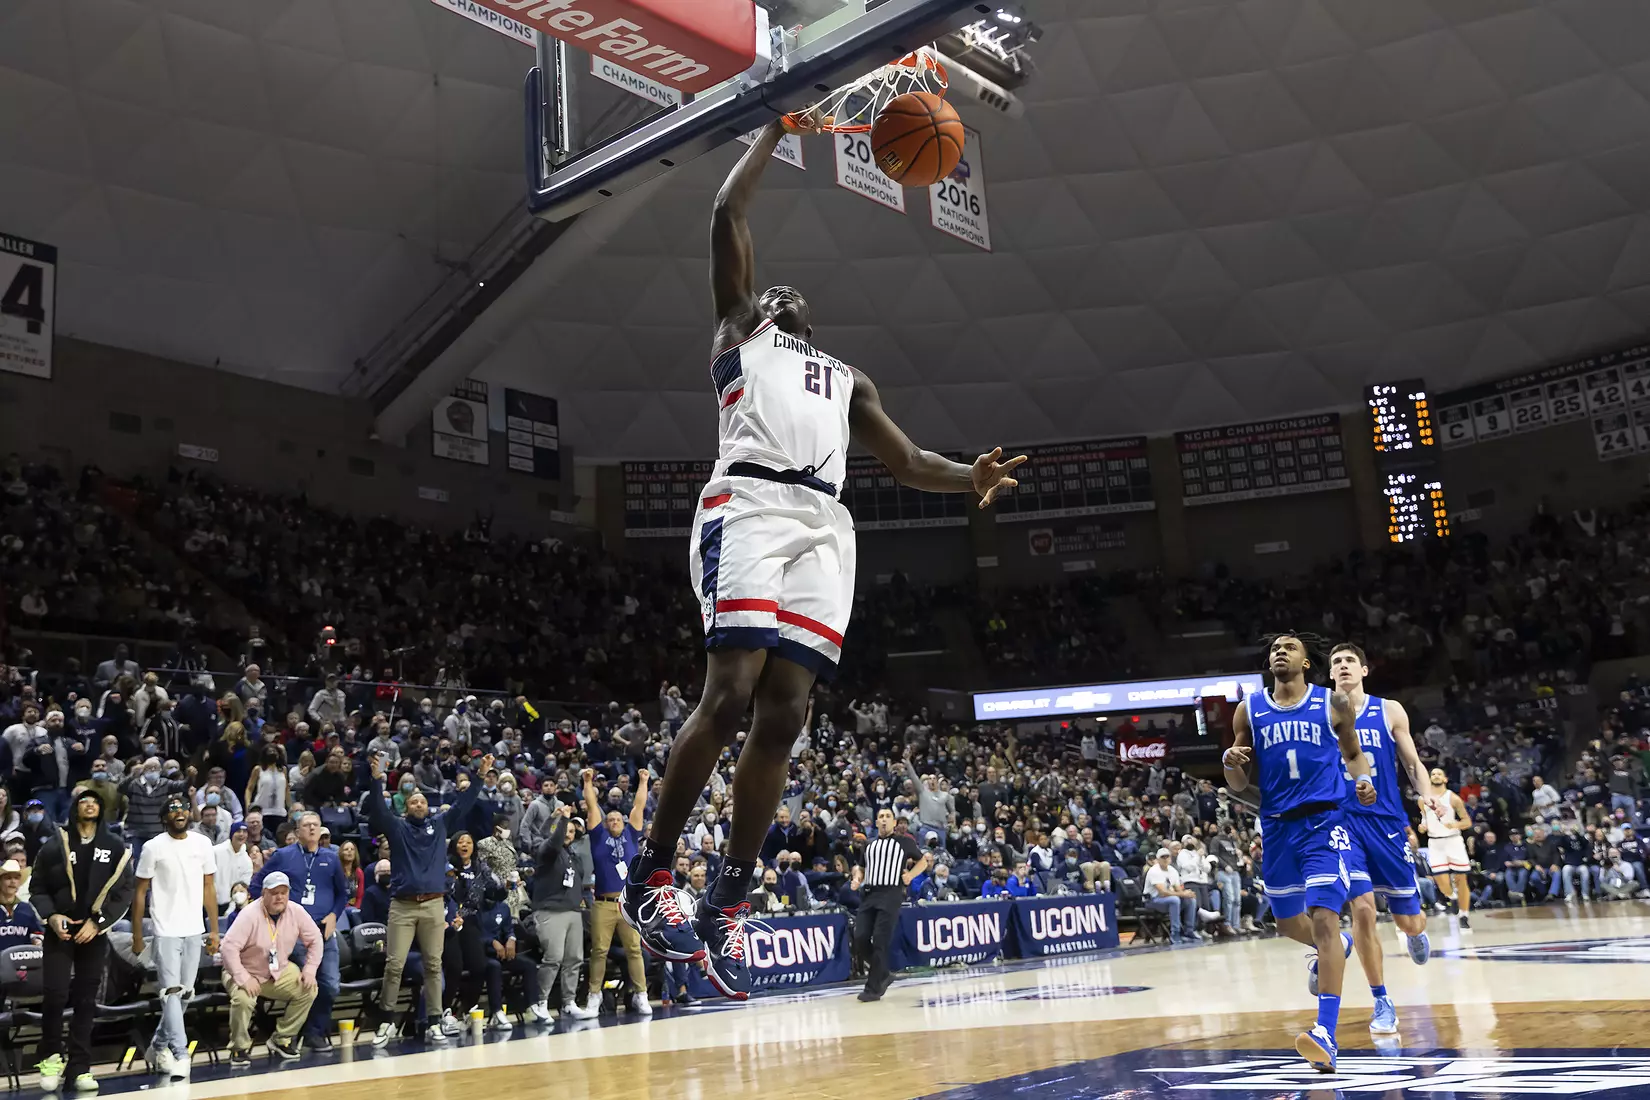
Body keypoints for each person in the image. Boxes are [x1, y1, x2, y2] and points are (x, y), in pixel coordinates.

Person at [620, 115, 1025, 1001]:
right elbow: (727, 211)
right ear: (761, 307)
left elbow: (908, 462)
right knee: (728, 694)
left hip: (824, 526)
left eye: (797, 293)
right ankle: (650, 873)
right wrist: (774, 133)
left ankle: (727, 896)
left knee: (786, 714)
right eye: (776, 289)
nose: (786, 291)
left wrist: (971, 478)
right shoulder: (739, 330)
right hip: (753, 502)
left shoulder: (846, 377)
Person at [1222, 634, 1374, 1074]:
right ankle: (1338, 947)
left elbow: (1354, 754)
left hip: (1324, 822)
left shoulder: (1333, 702)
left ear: (1307, 662)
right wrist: (1231, 763)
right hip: (1277, 827)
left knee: (1325, 916)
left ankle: (1325, 1031)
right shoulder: (1249, 708)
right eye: (1274, 648)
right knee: (1288, 923)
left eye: (1289, 647)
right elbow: (1236, 783)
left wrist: (1365, 781)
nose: (1280, 652)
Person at [1327, 642, 1434, 1036]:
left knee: (1407, 919)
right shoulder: (1322, 714)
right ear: (1330, 673)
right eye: (1336, 662)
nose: (1342, 667)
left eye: (1349, 661)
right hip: (1342, 823)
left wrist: (1427, 798)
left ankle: (1416, 931)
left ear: (1364, 670)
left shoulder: (1389, 709)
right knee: (1364, 909)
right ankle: (1382, 1000)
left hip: (1386, 821)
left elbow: (1412, 762)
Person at [362, 751, 493, 1046]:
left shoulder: (441, 825)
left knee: (434, 964)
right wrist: (376, 778)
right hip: (403, 906)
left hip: (435, 904)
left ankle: (434, 1020)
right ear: (406, 808)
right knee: (394, 964)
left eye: (422, 801)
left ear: (428, 806)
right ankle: (385, 1021)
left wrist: (480, 775)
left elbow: (464, 803)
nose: (419, 804)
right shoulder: (397, 828)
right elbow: (379, 811)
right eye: (413, 802)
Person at [32, 786, 135, 1094]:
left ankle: (80, 1067)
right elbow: (37, 887)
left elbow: (124, 892)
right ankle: (51, 1056)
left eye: (95, 802)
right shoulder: (55, 844)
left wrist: (99, 922)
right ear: (75, 808)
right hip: (59, 931)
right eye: (84, 801)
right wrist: (51, 916)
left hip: (94, 932)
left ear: (102, 810)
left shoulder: (114, 845)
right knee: (54, 994)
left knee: (87, 1001)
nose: (89, 805)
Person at [130, 794, 219, 1080]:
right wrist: (137, 934)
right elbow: (140, 892)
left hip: (194, 928)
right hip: (165, 929)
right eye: (172, 810)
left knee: (184, 996)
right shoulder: (152, 847)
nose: (179, 813)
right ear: (164, 818)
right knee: (171, 993)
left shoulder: (203, 844)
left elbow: (209, 887)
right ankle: (182, 1054)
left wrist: (214, 929)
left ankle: (157, 1045)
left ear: (189, 815)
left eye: (182, 809)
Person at [250, 811, 350, 1049]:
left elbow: (342, 893)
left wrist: (335, 915)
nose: (312, 829)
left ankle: (313, 1031)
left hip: (323, 931)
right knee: (302, 984)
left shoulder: (331, 857)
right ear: (297, 832)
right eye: (307, 825)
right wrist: (274, 917)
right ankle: (288, 1034)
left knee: (331, 984)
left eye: (316, 825)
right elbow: (257, 886)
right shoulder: (283, 856)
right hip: (291, 934)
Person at [218, 871, 321, 1064]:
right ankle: (239, 1048)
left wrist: (310, 969)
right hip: (244, 970)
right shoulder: (249, 914)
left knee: (309, 989)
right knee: (243, 1000)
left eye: (283, 892)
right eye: (274, 893)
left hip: (279, 969)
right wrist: (243, 977)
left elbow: (316, 939)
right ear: (264, 893)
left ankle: (281, 1038)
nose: (279, 897)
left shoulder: (296, 911)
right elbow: (228, 948)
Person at [581, 768, 651, 1016]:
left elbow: (639, 806)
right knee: (598, 951)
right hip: (603, 903)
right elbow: (591, 806)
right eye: (610, 820)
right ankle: (594, 996)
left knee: (634, 950)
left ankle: (642, 995)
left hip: (628, 903)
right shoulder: (598, 835)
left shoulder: (632, 834)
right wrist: (587, 781)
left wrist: (643, 780)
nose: (613, 823)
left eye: (617, 820)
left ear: (624, 822)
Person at [529, 801, 596, 1021]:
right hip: (550, 911)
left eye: (571, 831)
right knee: (553, 958)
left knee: (574, 959)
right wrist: (561, 818)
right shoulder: (545, 850)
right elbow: (553, 839)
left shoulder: (571, 855)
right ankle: (540, 1002)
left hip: (573, 911)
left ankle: (568, 1002)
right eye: (564, 829)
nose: (568, 833)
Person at [854, 807, 927, 1003]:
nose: (884, 820)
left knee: (880, 940)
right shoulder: (869, 845)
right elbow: (860, 868)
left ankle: (873, 988)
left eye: (888, 817)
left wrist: (910, 875)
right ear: (876, 822)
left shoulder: (905, 842)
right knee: (859, 937)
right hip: (869, 894)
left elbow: (923, 862)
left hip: (891, 893)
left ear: (894, 823)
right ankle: (884, 973)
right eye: (881, 817)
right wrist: (856, 878)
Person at [1421, 767, 1474, 928]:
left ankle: (1464, 915)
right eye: (1433, 773)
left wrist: (1455, 824)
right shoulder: (1422, 799)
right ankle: (1452, 897)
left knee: (1461, 878)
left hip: (1453, 840)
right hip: (1435, 842)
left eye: (1439, 774)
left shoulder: (1454, 798)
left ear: (1445, 779)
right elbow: (1425, 819)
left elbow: (1467, 821)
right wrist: (1422, 826)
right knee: (1441, 881)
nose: (1435, 775)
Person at [1143, 848, 1198, 943]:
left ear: (1170, 858)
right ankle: (1175, 933)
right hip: (1152, 901)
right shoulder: (1154, 871)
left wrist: (1186, 894)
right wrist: (1182, 894)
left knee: (1190, 900)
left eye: (1167, 856)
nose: (1165, 859)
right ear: (1158, 859)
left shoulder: (1172, 871)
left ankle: (1189, 931)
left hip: (1167, 899)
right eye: (1162, 857)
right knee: (1175, 900)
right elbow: (1162, 892)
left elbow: (1178, 889)